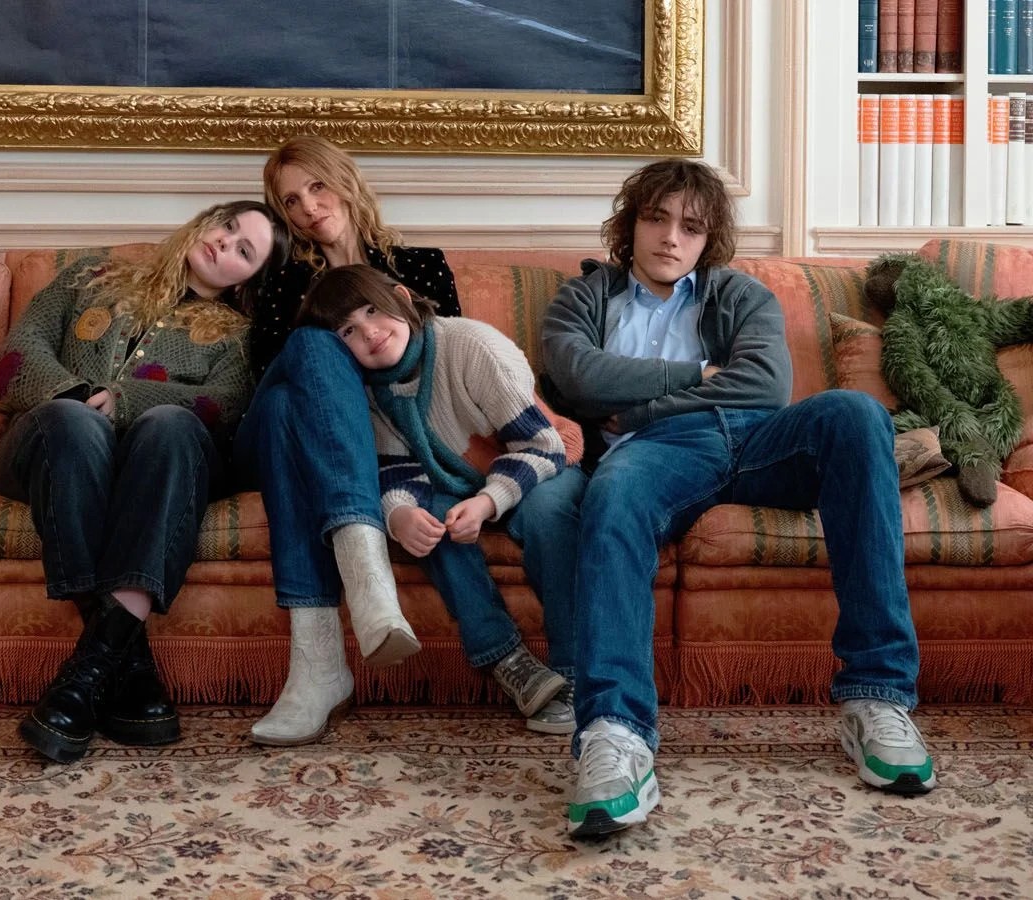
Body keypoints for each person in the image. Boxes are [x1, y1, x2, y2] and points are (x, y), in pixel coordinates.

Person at [538, 158, 936, 839]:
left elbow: (765, 386)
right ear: (630, 225)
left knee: (855, 415)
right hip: (654, 453)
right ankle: (616, 732)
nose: (671, 237)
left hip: (756, 439)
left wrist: (636, 405)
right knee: (613, 493)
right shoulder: (585, 298)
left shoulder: (740, 294)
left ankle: (877, 697)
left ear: (709, 238)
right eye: (656, 218)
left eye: (691, 227)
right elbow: (576, 374)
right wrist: (698, 374)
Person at [243, 136, 576, 745]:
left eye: (317, 186)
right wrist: (395, 510)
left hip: (399, 446)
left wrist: (430, 500)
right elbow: (280, 393)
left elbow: (438, 362)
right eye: (290, 201)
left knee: (443, 510)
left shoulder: (418, 267)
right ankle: (366, 571)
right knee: (310, 353)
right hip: (292, 433)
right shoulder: (285, 284)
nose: (309, 207)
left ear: (345, 182)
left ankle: (322, 664)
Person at [0, 200, 289, 764]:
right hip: (47, 448)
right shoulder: (89, 275)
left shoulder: (238, 336)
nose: (224, 243)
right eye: (227, 226)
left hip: (158, 468)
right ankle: (126, 663)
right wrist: (81, 397)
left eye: (244, 250)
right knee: (73, 421)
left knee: (171, 424)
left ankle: (89, 674)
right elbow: (20, 350)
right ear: (207, 220)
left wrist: (126, 399)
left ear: (247, 280)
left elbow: (225, 404)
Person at [294, 265, 571, 722]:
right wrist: (398, 515)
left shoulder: (473, 346)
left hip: (541, 464)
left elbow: (543, 446)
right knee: (430, 526)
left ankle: (574, 667)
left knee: (550, 516)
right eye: (348, 331)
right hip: (454, 484)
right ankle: (507, 659)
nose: (370, 332)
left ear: (402, 297)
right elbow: (394, 469)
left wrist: (488, 501)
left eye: (372, 310)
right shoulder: (366, 391)